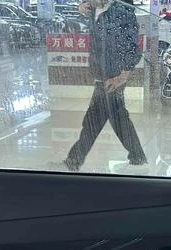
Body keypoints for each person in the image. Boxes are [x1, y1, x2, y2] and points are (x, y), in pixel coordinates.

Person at [61, 0, 147, 172]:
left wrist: (122, 76)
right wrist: (82, 5)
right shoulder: (94, 8)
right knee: (116, 119)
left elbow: (132, 46)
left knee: (95, 120)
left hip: (113, 76)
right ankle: (138, 158)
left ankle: (73, 161)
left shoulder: (122, 10)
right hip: (102, 74)